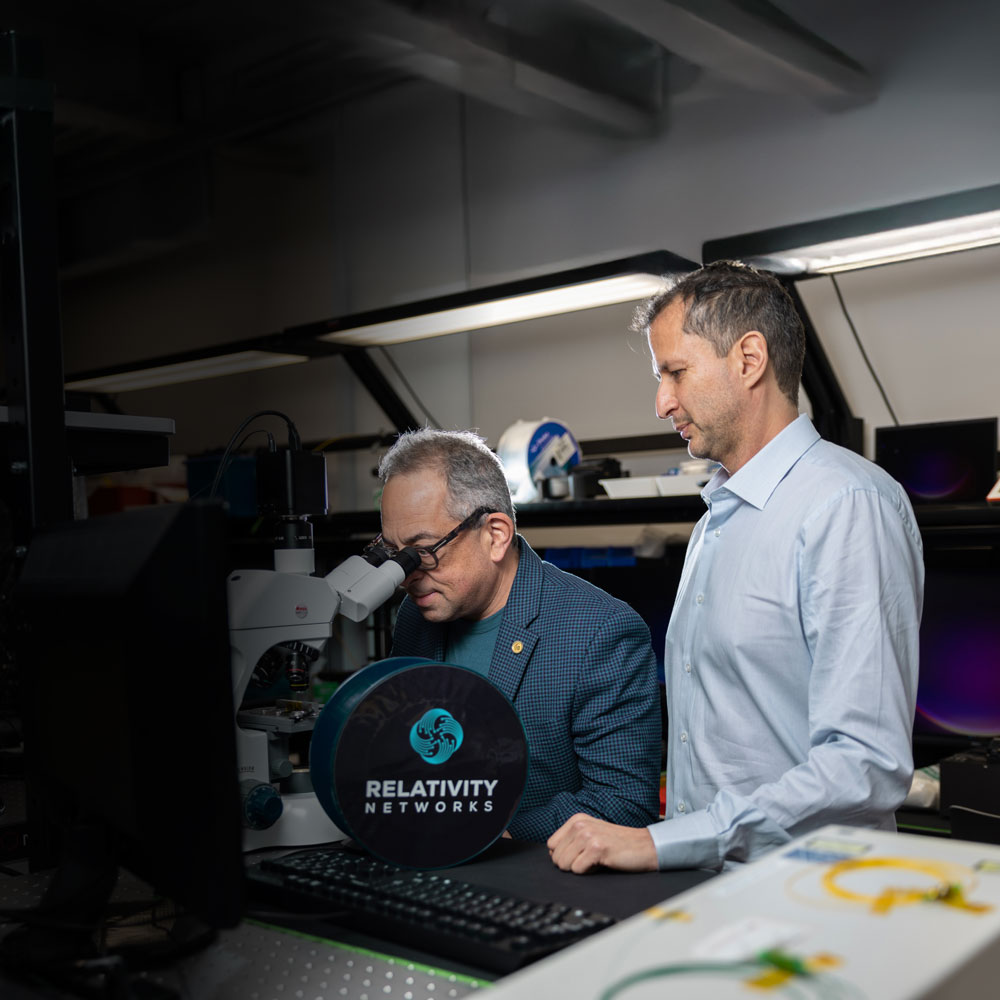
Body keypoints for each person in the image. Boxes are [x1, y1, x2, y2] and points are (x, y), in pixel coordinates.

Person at [548, 260, 924, 873]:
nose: (662, 401)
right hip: (707, 893)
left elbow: (864, 764)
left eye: (675, 372)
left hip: (808, 904)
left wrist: (664, 842)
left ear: (749, 360)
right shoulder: (717, 520)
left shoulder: (846, 505)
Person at [375, 427, 662, 842]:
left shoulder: (600, 633)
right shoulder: (415, 620)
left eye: (423, 552)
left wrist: (491, 835)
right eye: (394, 553)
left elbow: (624, 805)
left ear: (495, 534)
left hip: (541, 880)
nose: (407, 577)